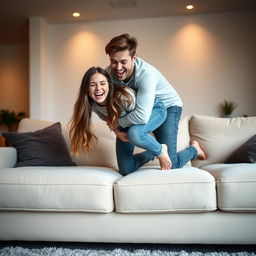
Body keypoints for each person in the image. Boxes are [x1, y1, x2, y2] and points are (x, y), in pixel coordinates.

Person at [105, 33, 206, 173]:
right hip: (135, 111)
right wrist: (116, 128)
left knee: (172, 164)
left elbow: (141, 116)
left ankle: (194, 149)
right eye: (113, 61)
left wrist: (118, 123)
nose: (118, 67)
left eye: (123, 62)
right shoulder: (108, 74)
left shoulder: (146, 74)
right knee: (126, 169)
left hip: (167, 106)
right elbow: (103, 106)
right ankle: (153, 152)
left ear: (134, 58)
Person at [69, 67, 172, 175]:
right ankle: (151, 154)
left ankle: (160, 150)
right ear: (86, 88)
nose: (98, 88)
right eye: (92, 84)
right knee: (126, 170)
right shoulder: (93, 104)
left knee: (135, 133)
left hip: (154, 110)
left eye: (102, 83)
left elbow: (140, 117)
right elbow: (108, 119)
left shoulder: (123, 97)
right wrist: (118, 133)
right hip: (128, 123)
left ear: (109, 85)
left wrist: (134, 132)